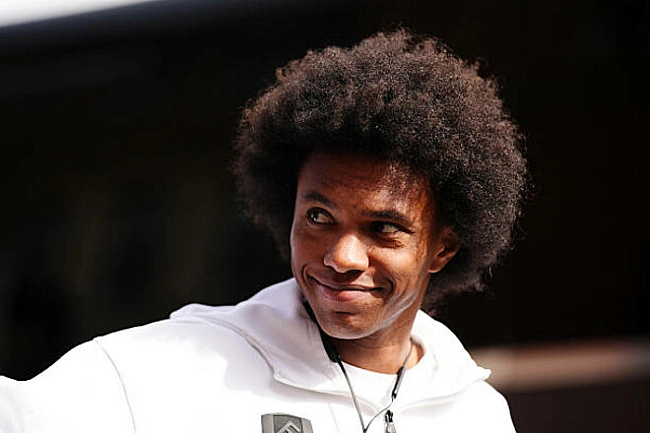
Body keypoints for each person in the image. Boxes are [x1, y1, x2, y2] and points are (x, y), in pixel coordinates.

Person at [0, 29, 527, 433]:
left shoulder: (474, 413)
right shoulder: (165, 369)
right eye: (318, 217)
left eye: (383, 228)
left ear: (443, 248)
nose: (342, 256)